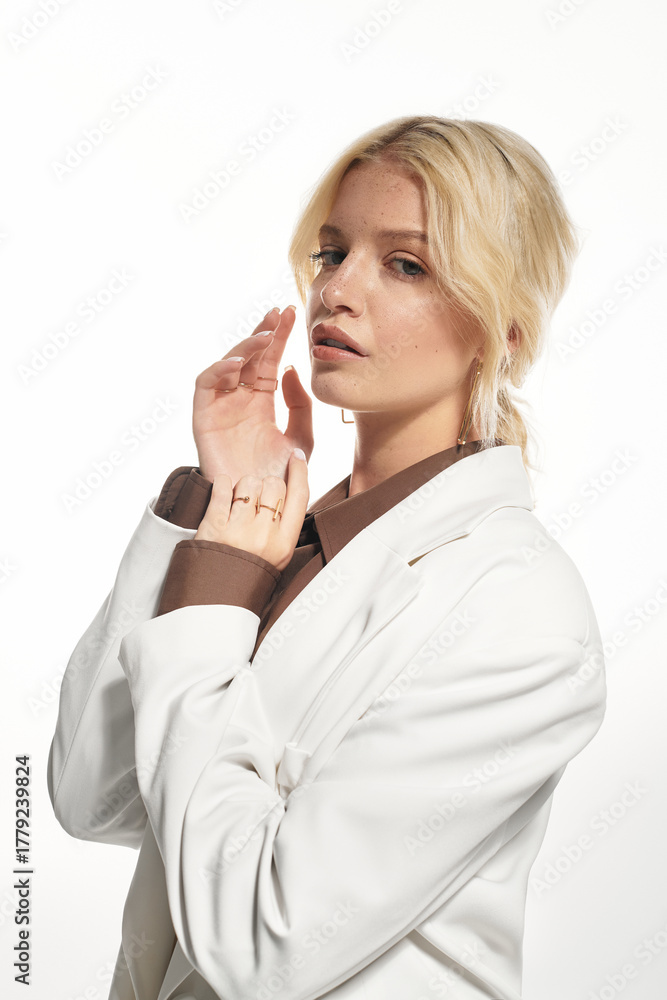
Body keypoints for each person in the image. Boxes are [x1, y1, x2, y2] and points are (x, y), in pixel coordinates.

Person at [48, 115, 607, 1000]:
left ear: (502, 331)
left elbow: (261, 946)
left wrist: (216, 590)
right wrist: (208, 510)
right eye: (332, 252)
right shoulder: (277, 538)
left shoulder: (517, 609)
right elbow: (93, 798)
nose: (336, 291)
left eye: (405, 264)